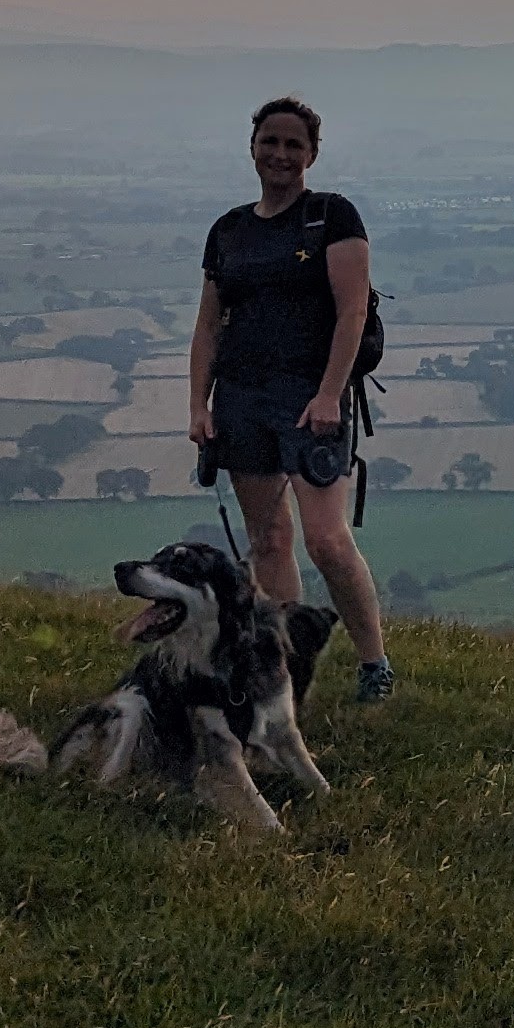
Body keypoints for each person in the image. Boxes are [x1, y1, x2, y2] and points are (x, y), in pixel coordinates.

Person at [190, 96, 397, 700]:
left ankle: (373, 665)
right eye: (270, 142)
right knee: (267, 542)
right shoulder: (228, 229)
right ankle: (283, 671)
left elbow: (352, 309)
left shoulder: (333, 216)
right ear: (252, 146)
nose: (280, 154)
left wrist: (330, 393)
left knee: (327, 541)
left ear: (312, 154)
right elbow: (208, 325)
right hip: (242, 398)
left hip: (311, 400)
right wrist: (198, 405)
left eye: (293, 145)